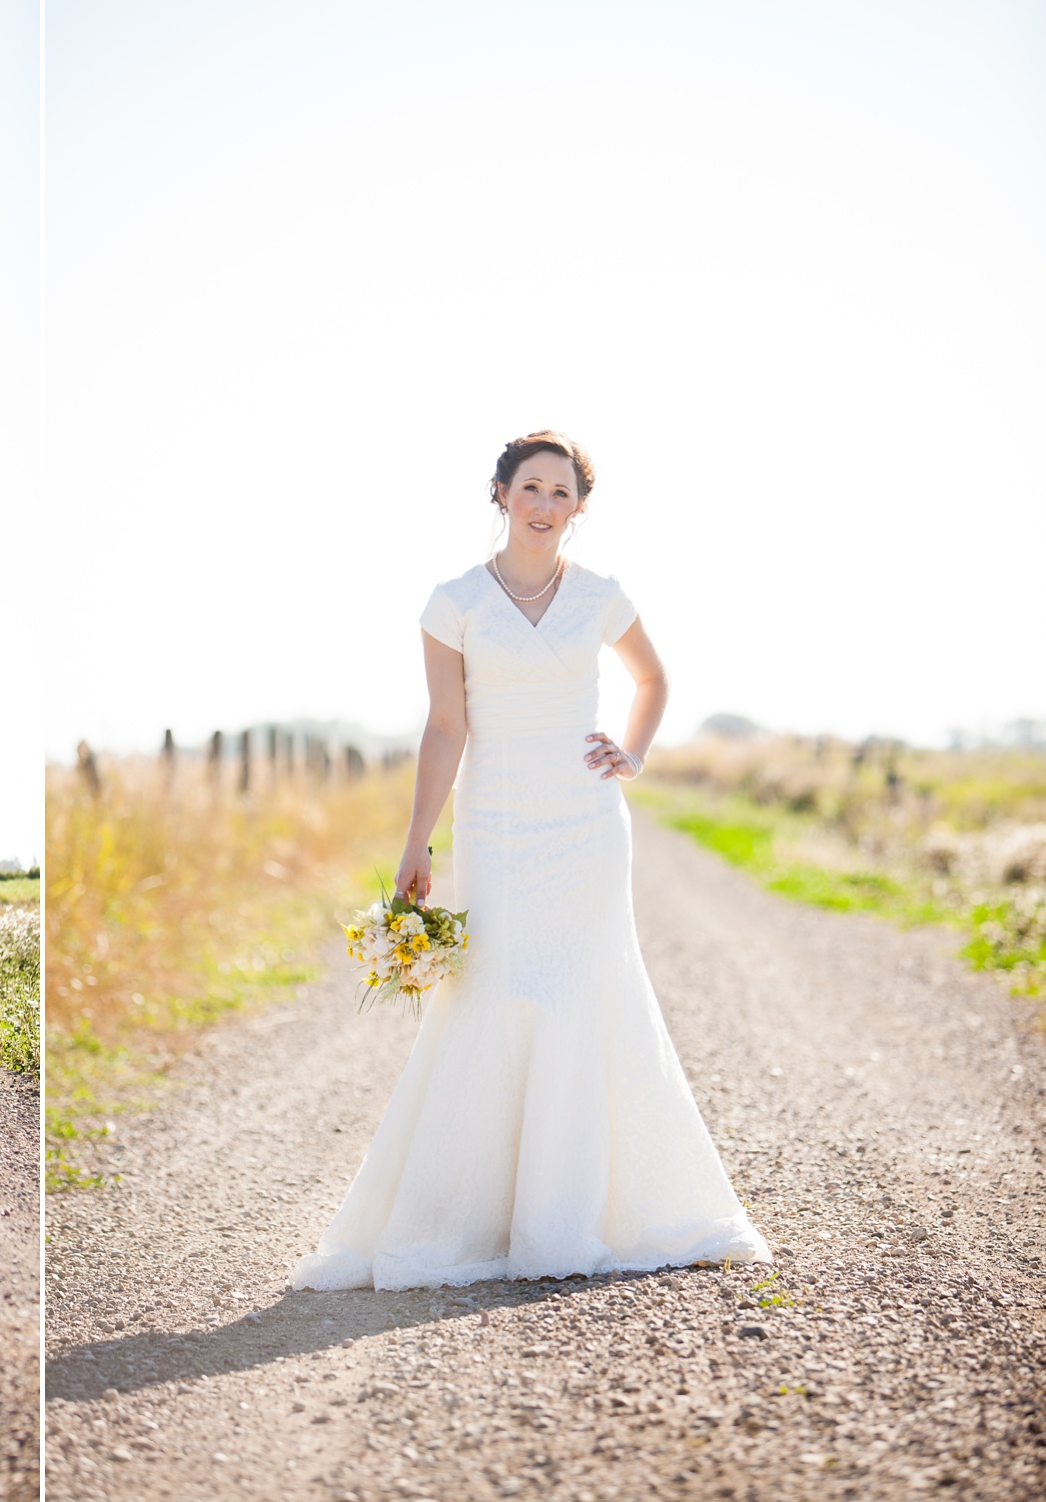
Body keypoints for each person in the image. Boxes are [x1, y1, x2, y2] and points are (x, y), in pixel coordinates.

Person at [290, 432, 768, 1290]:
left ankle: (574, 1214)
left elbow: (653, 681)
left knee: (585, 989)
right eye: (531, 488)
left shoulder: (601, 595)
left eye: (561, 493)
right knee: (499, 990)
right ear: (501, 494)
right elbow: (446, 727)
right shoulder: (455, 602)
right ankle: (474, 1216)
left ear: (578, 508)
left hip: (586, 822)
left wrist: (634, 753)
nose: (545, 506)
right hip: (498, 823)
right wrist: (416, 841)